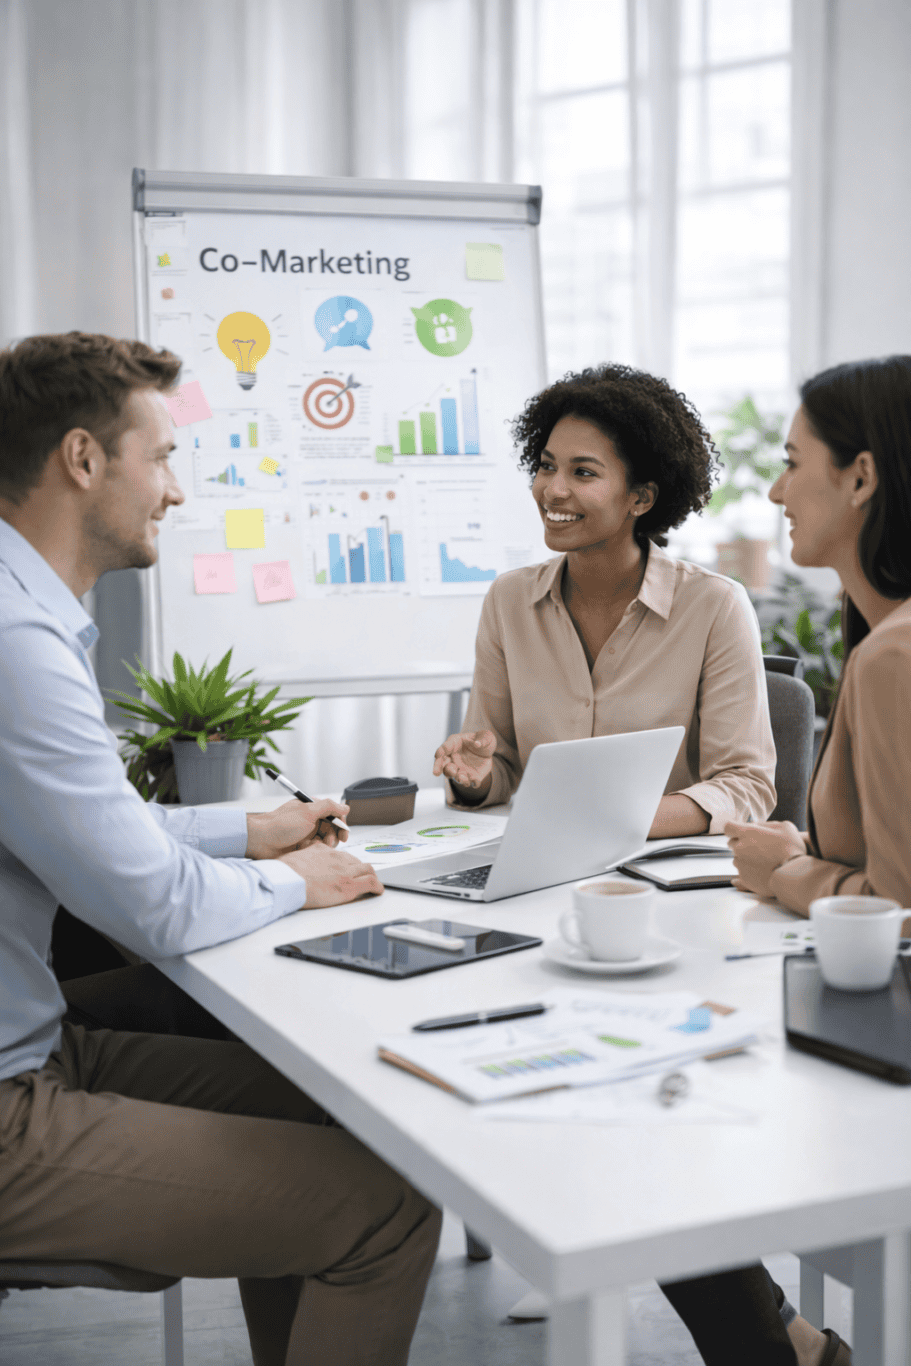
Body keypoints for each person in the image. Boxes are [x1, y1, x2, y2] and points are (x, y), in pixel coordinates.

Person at [0, 332, 441, 1366]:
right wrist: (291, 878)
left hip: (40, 1050)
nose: (176, 491)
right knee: (384, 1209)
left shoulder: (25, 615)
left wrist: (253, 826)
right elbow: (150, 906)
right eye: (160, 457)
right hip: (12, 1107)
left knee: (353, 1114)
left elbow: (92, 824)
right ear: (82, 458)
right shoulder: (15, 643)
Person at [433, 363, 777, 837]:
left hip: (661, 872)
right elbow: (501, 766)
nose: (553, 489)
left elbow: (745, 786)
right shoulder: (509, 600)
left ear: (640, 498)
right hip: (541, 860)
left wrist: (618, 820)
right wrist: (476, 776)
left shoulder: (714, 606)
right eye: (547, 465)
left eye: (584, 472)